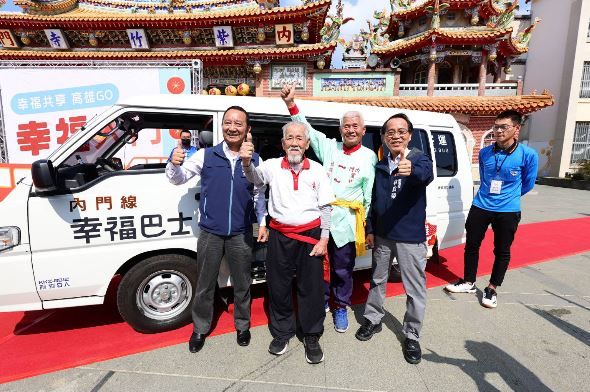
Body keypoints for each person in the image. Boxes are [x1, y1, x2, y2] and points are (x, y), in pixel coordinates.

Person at [166, 106, 268, 353]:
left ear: (247, 129)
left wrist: (263, 221)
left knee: (243, 282)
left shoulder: (255, 159)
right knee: (205, 283)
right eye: (228, 123)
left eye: (239, 124)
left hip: (241, 232)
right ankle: (200, 328)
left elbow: (259, 193)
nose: (233, 128)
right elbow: (178, 178)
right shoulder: (206, 155)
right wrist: (173, 163)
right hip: (211, 231)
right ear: (222, 126)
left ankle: (242, 326)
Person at [281, 84, 377, 334]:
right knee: (318, 266)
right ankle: (321, 302)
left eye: (355, 126)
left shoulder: (369, 157)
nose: (351, 129)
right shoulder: (330, 148)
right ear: (340, 129)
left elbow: (369, 195)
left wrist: (367, 226)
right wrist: (291, 104)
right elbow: (306, 130)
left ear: (363, 130)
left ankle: (341, 306)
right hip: (321, 219)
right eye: (347, 126)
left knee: (343, 268)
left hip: (348, 221)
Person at [241, 121, 335, 365]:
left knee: (311, 288)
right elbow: (255, 181)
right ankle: (282, 333)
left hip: (311, 236)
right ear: (283, 144)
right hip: (280, 236)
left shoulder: (317, 169)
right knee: (279, 286)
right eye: (289, 138)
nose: (294, 143)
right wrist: (245, 162)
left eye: (299, 138)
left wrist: (324, 238)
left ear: (307, 144)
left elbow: (326, 206)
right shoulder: (271, 166)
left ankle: (312, 335)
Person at [355, 113, 434, 365]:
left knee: (414, 288)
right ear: (383, 137)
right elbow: (375, 202)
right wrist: (370, 228)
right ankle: (373, 319)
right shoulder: (380, 166)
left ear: (409, 135)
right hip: (383, 236)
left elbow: (425, 174)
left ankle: (411, 335)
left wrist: (411, 169)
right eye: (390, 132)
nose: (396, 136)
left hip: (410, 238)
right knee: (377, 280)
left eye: (401, 131)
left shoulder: (418, 159)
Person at [445, 110, 538, 308]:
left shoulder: (528, 155)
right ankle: (469, 281)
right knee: (471, 244)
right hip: (481, 205)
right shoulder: (486, 152)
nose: (498, 131)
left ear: (516, 129)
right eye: (496, 127)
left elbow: (528, 183)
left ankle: (492, 288)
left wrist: (509, 197)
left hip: (508, 210)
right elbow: (485, 178)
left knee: (502, 250)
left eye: (504, 127)